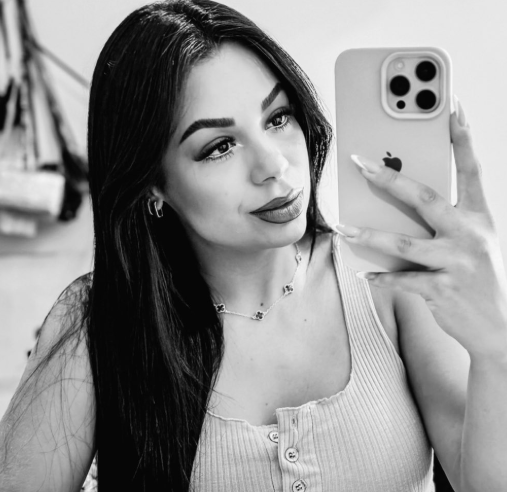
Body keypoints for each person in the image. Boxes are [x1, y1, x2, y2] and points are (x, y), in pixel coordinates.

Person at [1, 0, 507, 491]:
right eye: (219, 147)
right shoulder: (97, 319)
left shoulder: (392, 280)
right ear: (152, 185)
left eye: (278, 118)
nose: (274, 166)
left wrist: (495, 346)